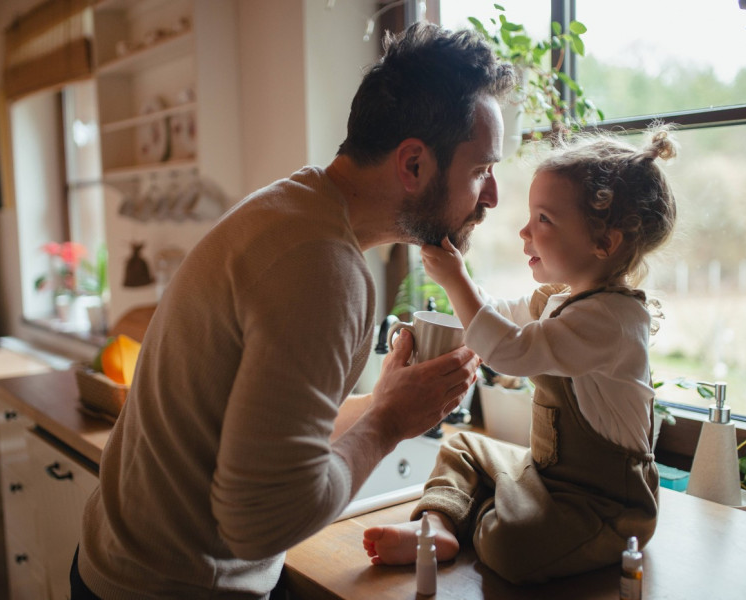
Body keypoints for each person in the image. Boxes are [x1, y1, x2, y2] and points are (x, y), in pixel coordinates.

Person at [71, 22, 516, 599]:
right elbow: (259, 520)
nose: (492, 196)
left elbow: (271, 437)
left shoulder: (294, 208)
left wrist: (383, 403)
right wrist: (388, 423)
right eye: (481, 170)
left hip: (121, 565)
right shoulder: (323, 271)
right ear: (412, 164)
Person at [362, 127, 678, 584]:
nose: (524, 230)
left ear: (604, 242)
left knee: (508, 549)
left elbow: (511, 351)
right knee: (461, 445)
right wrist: (455, 271)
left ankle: (467, 516)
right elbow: (494, 317)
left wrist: (456, 280)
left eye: (544, 219)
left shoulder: (611, 321)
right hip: (546, 479)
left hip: (605, 508)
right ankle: (437, 527)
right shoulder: (562, 300)